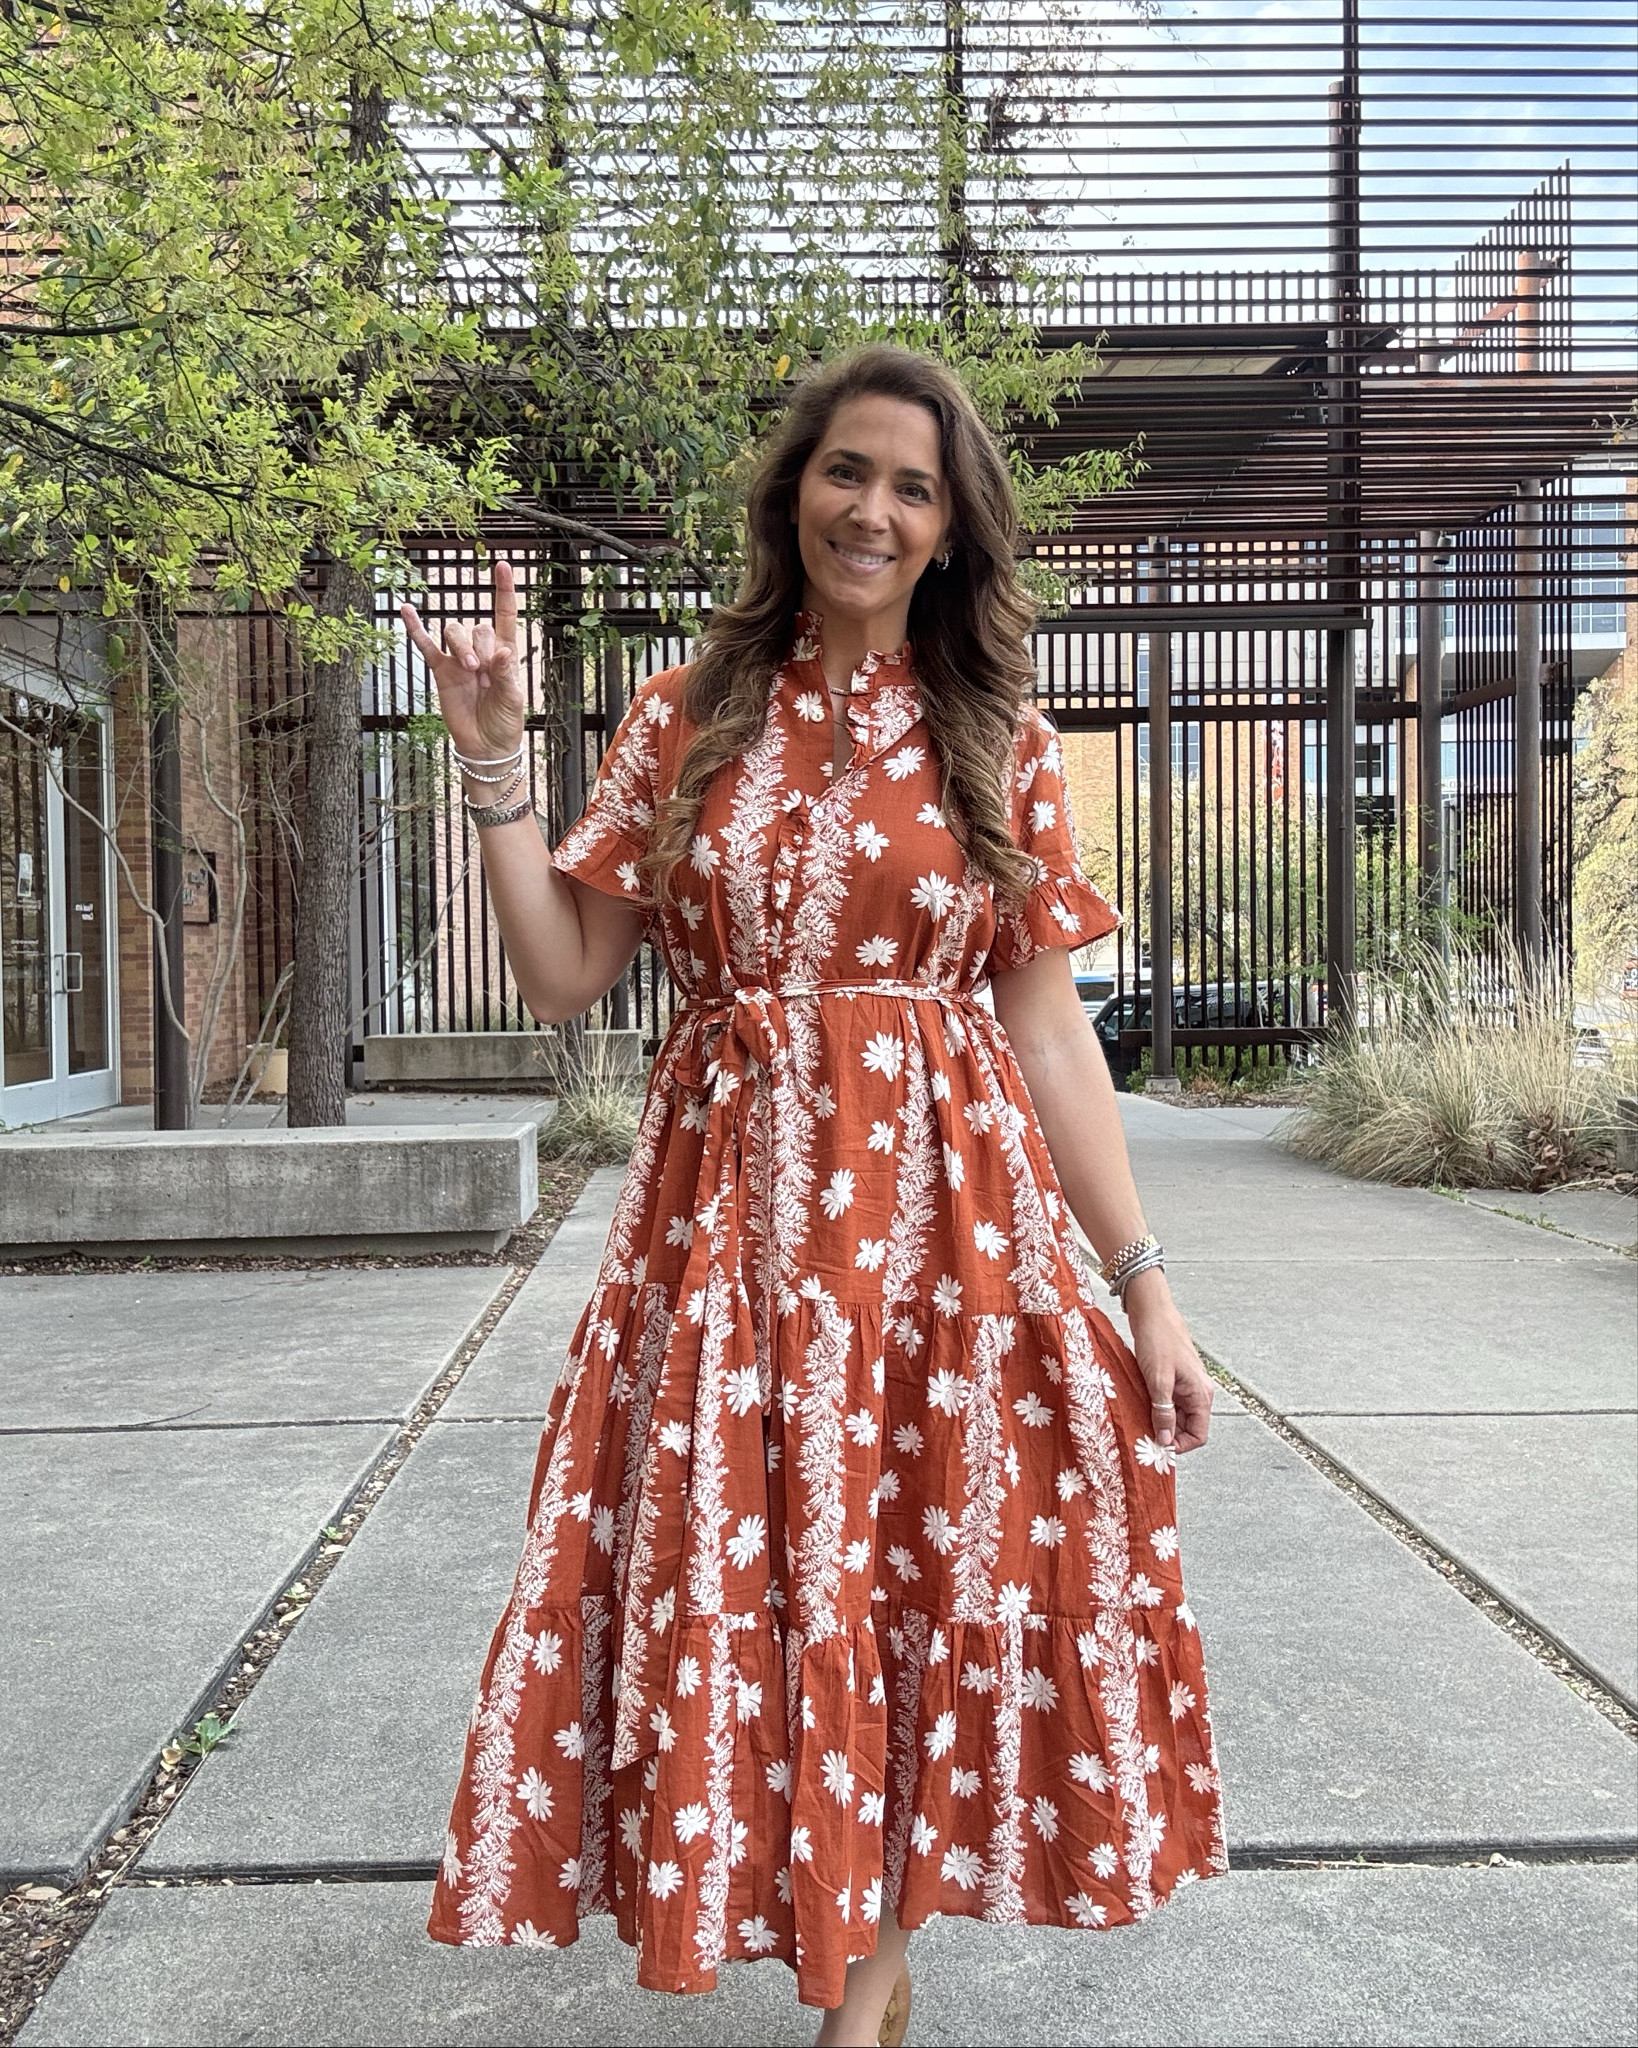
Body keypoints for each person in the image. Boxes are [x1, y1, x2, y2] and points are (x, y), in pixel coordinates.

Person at [405, 345, 1224, 2047]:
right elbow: (562, 974)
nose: (873, 509)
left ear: (950, 531)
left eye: (913, 488)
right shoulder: (683, 714)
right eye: (847, 470)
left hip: (944, 1239)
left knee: (912, 1574)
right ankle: (871, 1965)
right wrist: (492, 767)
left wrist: (1141, 1280)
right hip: (727, 1237)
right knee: (765, 1580)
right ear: (795, 493)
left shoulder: (999, 735)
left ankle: (858, 1995)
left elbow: (1046, 1029)